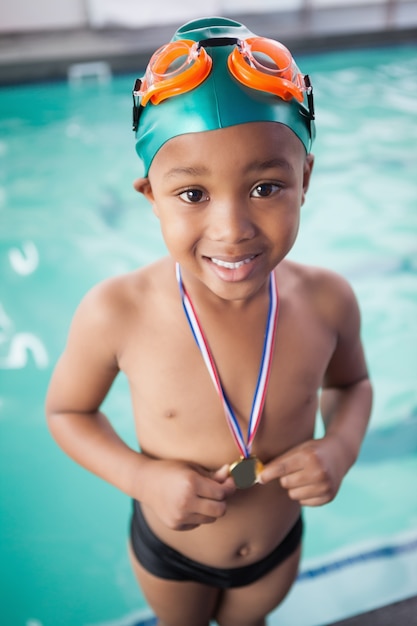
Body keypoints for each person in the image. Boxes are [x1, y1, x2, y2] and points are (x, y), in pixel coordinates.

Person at [46, 16, 373, 626]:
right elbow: (67, 412)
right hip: (172, 550)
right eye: (193, 194)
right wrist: (142, 478)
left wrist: (342, 447)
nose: (231, 229)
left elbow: (352, 385)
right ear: (151, 197)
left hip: (275, 549)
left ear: (304, 180)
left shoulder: (329, 300)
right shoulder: (116, 311)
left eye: (266, 187)